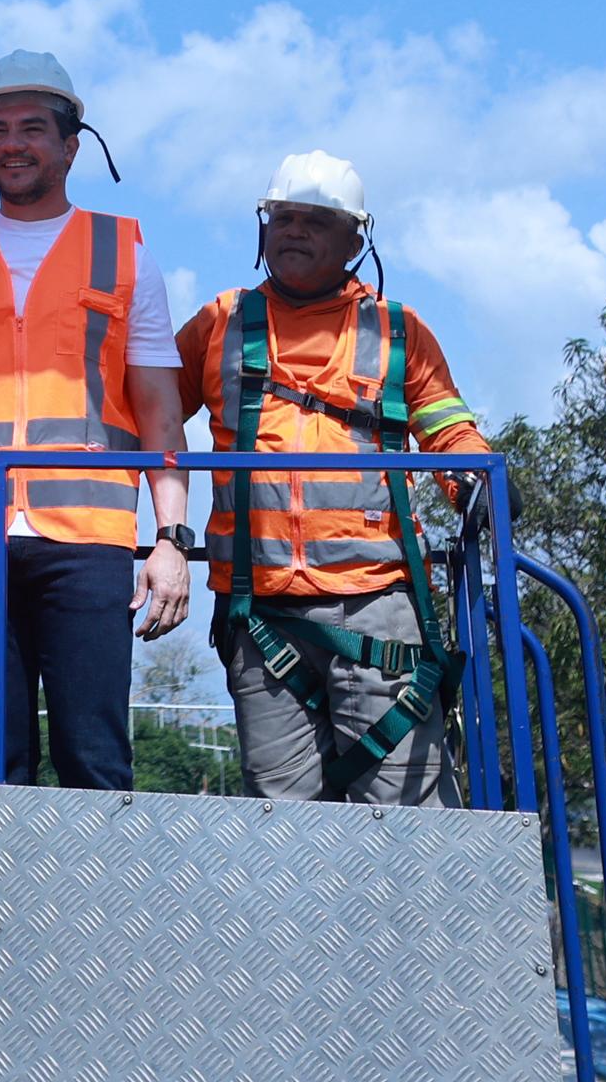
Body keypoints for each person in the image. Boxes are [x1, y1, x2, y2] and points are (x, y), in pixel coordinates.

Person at [0, 53, 192, 787]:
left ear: (72, 145)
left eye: (32, 129)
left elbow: (160, 415)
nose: (12, 144)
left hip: (87, 543)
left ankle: (97, 904)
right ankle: (0, 905)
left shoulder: (124, 252)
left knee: (96, 758)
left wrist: (171, 540)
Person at [174, 152, 490, 804]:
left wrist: (470, 481)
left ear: (356, 238)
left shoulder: (399, 331)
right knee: (283, 826)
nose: (294, 230)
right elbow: (145, 419)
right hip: (260, 615)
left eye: (316, 220)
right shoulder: (219, 324)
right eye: (282, 216)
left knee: (409, 819)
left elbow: (450, 430)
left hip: (378, 608)